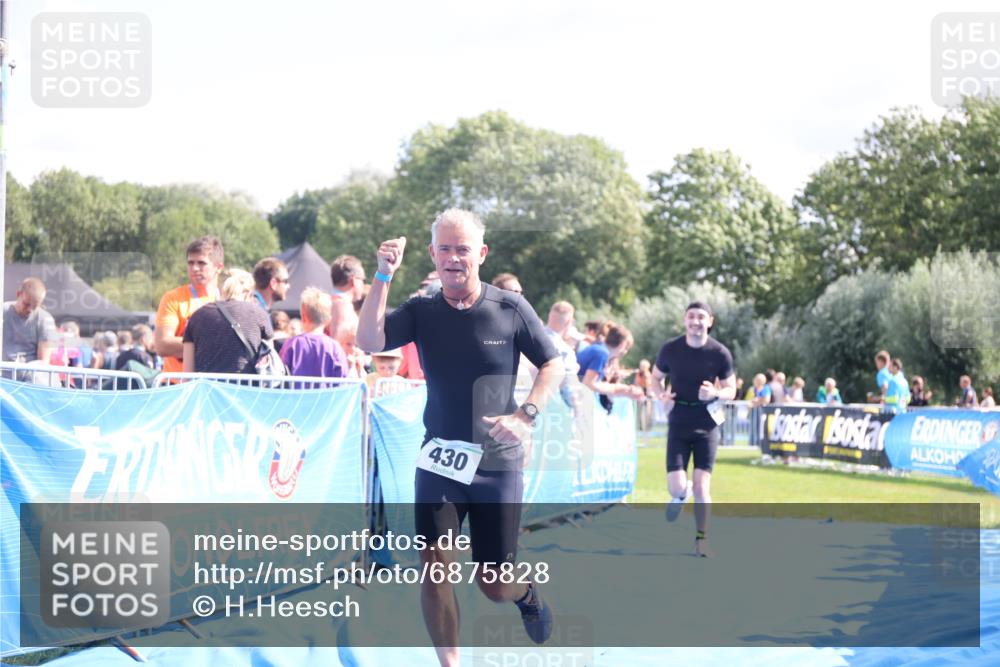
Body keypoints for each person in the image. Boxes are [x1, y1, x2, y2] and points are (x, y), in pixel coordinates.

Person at [356, 208, 564, 665]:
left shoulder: (509, 308)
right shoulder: (422, 309)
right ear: (432, 254)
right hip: (440, 458)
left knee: (493, 584)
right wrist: (382, 275)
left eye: (463, 249)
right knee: (434, 569)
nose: (453, 258)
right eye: (445, 249)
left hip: (496, 463)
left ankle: (526, 594)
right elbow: (369, 341)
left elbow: (554, 363)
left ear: (481, 254)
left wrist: (526, 414)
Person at [651, 302, 736, 558]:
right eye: (691, 317)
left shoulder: (720, 353)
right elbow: (655, 378)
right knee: (677, 488)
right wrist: (660, 396)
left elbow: (732, 390)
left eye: (701, 317)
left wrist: (716, 393)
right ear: (684, 320)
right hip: (678, 421)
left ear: (710, 321)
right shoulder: (671, 349)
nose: (695, 322)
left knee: (702, 486)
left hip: (707, 425)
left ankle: (701, 539)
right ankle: (681, 494)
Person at [155, 236, 224, 374]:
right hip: (178, 385)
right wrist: (215, 345)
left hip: (216, 386)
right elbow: (162, 345)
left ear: (218, 267)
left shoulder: (228, 300)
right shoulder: (173, 298)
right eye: (190, 263)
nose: (195, 268)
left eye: (201, 263)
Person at [182, 269, 273, 374]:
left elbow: (187, 373)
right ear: (248, 294)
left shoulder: (197, 316)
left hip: (207, 388)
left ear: (221, 290)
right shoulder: (260, 315)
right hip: (247, 388)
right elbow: (270, 363)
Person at [279, 286, 348, 378]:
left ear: (303, 317)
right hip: (328, 393)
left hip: (296, 392)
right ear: (328, 320)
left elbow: (280, 375)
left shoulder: (292, 345)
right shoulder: (335, 348)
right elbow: (343, 379)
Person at [576, 323, 645, 411]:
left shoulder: (598, 349)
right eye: (626, 348)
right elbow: (589, 384)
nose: (625, 352)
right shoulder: (601, 353)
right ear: (622, 345)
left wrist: (624, 389)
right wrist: (619, 389)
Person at [3, 277, 57, 364]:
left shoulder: (45, 320)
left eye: (35, 306)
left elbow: (44, 361)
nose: (30, 309)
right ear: (18, 294)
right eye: (26, 304)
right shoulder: (3, 312)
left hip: (31, 374)